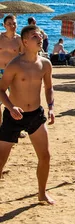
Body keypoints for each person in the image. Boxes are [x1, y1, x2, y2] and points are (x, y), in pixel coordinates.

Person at [0, 24, 55, 202]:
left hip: (35, 116)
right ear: (25, 42)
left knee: (45, 156)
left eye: (39, 35)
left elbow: (49, 87)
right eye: (34, 36)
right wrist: (10, 107)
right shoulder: (15, 65)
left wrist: (51, 107)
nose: (39, 38)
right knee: (1, 160)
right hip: (13, 116)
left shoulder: (45, 64)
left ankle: (41, 193)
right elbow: (1, 90)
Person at [0, 15, 23, 126]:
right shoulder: (0, 37)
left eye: (14, 23)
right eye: (9, 24)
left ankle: (16, 127)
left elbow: (24, 57)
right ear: (4, 25)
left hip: (12, 73)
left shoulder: (19, 40)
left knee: (15, 101)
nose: (12, 26)